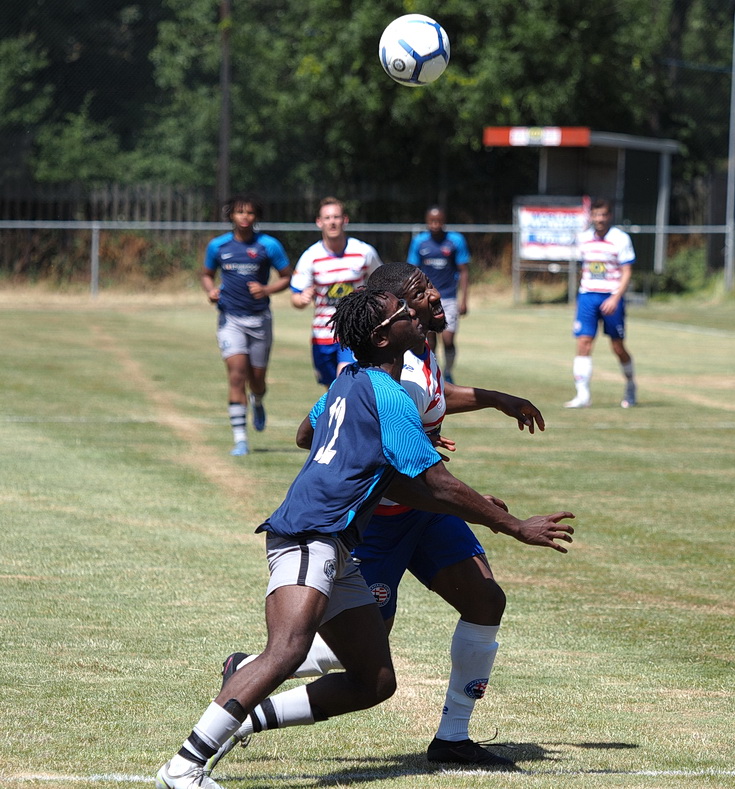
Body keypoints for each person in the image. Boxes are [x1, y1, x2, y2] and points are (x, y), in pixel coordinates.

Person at [155, 288, 576, 789]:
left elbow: (320, 442)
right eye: (405, 312)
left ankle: (243, 704)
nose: (416, 315)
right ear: (382, 336)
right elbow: (435, 482)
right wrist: (513, 525)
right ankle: (182, 768)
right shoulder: (389, 393)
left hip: (336, 542)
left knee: (373, 680)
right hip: (311, 531)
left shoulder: (348, 381)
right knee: (287, 649)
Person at [201, 193, 293, 455]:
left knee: (258, 380)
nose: (245, 217)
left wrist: (267, 289)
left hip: (260, 319)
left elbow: (287, 276)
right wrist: (210, 290)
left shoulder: (269, 246)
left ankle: (259, 400)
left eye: (250, 213)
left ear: (256, 217)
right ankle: (240, 439)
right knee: (236, 375)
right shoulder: (218, 246)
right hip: (230, 319)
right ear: (231, 215)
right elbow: (207, 274)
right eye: (240, 212)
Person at [290, 196, 383, 387]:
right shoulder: (311, 257)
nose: (332, 222)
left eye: (336, 217)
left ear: (345, 220)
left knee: (345, 379)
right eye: (327, 218)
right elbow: (296, 298)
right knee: (331, 390)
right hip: (322, 334)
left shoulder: (363, 252)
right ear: (319, 222)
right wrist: (303, 298)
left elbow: (381, 282)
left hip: (354, 331)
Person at [565, 198, 637, 409]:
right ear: (591, 216)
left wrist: (615, 297)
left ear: (610, 216)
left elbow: (627, 271)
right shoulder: (584, 238)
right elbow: (582, 267)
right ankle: (582, 395)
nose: (600, 219)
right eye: (596, 215)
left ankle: (631, 385)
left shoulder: (620, 239)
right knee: (583, 343)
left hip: (611, 298)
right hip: (588, 297)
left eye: (604, 215)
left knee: (617, 346)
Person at [407, 206, 470, 384]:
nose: (435, 224)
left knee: (448, 338)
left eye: (439, 221)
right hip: (426, 298)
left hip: (448, 297)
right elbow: (412, 270)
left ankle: (448, 371)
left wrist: (464, 299)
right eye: (432, 221)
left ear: (444, 221)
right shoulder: (419, 242)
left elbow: (464, 270)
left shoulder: (455, 241)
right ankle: (432, 374)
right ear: (427, 222)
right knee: (429, 340)